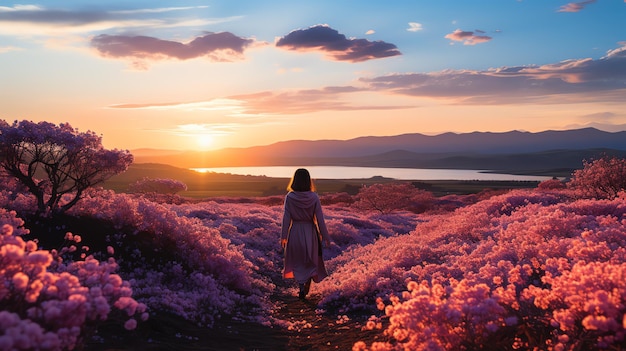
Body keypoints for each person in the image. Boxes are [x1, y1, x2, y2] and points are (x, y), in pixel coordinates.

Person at [281, 168, 331, 299]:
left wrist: (284, 236)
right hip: (310, 231)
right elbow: (320, 219)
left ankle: (301, 287)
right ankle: (306, 287)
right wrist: (325, 236)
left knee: (298, 261)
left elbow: (286, 218)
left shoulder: (290, 197)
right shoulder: (314, 197)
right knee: (310, 260)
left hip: (295, 231)